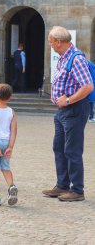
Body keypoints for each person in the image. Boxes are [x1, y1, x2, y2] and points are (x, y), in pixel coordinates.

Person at [43, 26, 93, 202]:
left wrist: (69, 100)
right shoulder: (63, 58)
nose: (49, 45)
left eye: (50, 41)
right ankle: (62, 185)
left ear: (58, 41)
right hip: (62, 111)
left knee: (72, 150)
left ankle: (77, 190)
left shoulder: (76, 58)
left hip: (74, 109)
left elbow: (88, 86)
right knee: (59, 147)